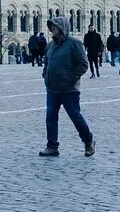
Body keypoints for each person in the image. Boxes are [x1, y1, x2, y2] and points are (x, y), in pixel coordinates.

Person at [38, 19, 95, 158]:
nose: (52, 29)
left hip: (69, 90)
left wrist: (70, 78)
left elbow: (83, 64)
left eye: (54, 26)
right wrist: (46, 75)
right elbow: (47, 62)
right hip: (52, 88)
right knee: (50, 117)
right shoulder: (50, 45)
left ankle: (88, 141)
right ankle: (52, 146)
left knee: (75, 116)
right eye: (51, 26)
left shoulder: (74, 44)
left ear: (62, 28)